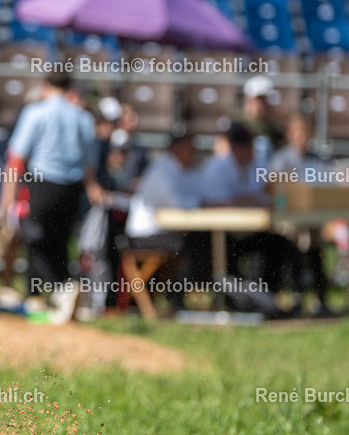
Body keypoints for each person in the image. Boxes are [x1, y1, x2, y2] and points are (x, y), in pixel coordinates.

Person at [0, 70, 102, 318]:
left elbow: (17, 156)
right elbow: (90, 163)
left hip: (41, 183)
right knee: (59, 242)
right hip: (71, 188)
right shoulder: (83, 117)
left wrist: (7, 195)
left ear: (45, 85)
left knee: (34, 240)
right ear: (70, 87)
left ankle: (61, 289)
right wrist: (92, 187)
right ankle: (39, 298)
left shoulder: (36, 112)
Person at [199, 122, 293, 308]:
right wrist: (247, 200)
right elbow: (212, 203)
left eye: (249, 145)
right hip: (220, 232)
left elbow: (269, 197)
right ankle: (234, 301)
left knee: (277, 244)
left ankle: (265, 300)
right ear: (233, 147)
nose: (247, 151)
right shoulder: (217, 167)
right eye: (243, 146)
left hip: (249, 230)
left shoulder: (258, 165)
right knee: (225, 253)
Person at [123, 126, 211, 310]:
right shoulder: (161, 171)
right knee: (192, 246)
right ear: (176, 148)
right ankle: (176, 298)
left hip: (168, 231)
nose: (194, 151)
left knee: (203, 240)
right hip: (145, 235)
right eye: (190, 146)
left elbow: (203, 196)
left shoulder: (187, 169)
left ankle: (184, 296)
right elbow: (180, 205)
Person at [269, 115, 333, 316]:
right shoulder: (281, 159)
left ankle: (320, 300)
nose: (300, 137)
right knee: (294, 252)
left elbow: (328, 186)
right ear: (289, 135)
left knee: (315, 254)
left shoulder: (319, 160)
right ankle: (296, 299)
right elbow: (273, 190)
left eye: (304, 132)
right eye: (296, 132)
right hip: (291, 221)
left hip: (314, 220)